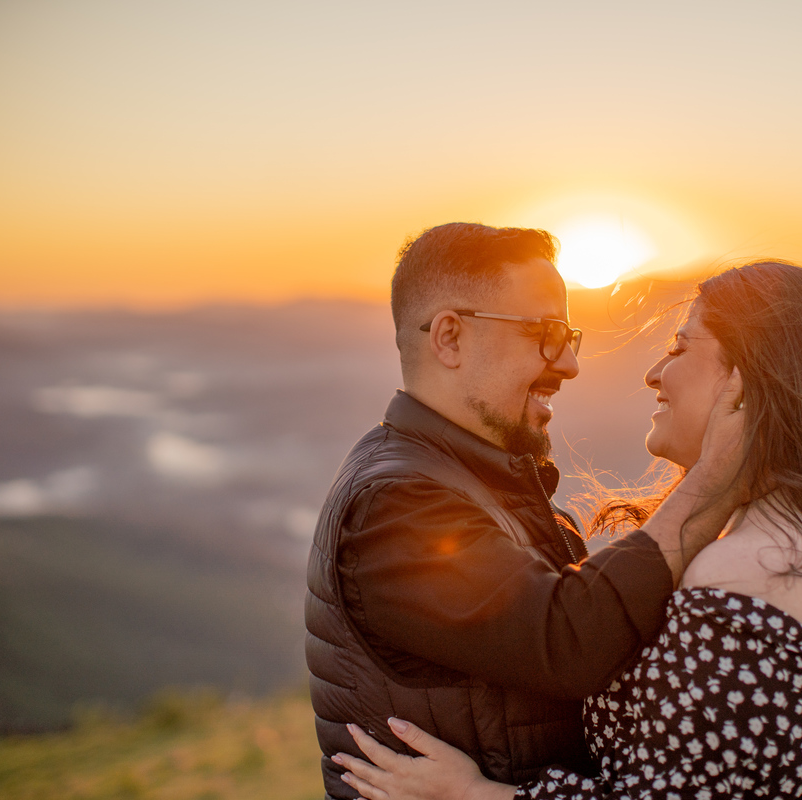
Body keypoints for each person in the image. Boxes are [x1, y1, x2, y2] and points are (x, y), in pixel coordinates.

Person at [335, 261, 802, 799]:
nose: (654, 372)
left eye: (682, 348)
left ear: (743, 383)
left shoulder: (753, 573)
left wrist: (473, 797)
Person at [306, 223, 746, 799]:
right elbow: (570, 641)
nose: (568, 364)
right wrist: (716, 481)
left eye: (569, 336)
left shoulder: (469, 479)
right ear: (449, 338)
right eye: (544, 333)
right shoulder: (395, 505)